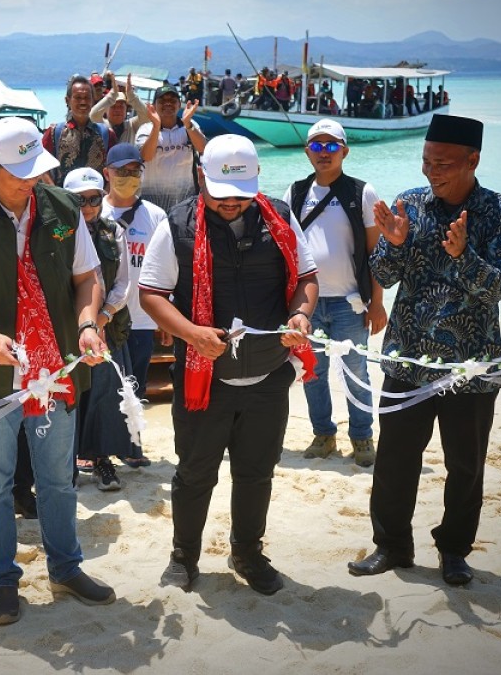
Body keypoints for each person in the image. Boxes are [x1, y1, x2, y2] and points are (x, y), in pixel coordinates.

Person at [0, 116, 116, 625]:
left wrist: (85, 324)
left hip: (56, 369)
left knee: (58, 479)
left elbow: (87, 278)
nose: (32, 181)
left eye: (38, 169)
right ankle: (3, 581)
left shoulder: (61, 206)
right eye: (20, 173)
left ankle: (66, 567)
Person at [347, 114, 501, 587]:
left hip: (473, 362)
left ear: (473, 160)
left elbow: (498, 288)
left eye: (443, 163)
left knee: (465, 465)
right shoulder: (409, 204)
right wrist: (396, 243)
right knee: (395, 459)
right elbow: (382, 276)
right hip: (408, 357)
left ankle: (454, 552)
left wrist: (462, 255)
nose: (432, 172)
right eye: (426, 161)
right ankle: (391, 545)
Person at [139, 135, 318, 595]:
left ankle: (248, 552)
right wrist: (191, 333)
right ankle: (184, 556)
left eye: (241, 194)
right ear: (202, 178)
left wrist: (300, 314)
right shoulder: (176, 225)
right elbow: (152, 293)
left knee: (256, 472)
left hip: (267, 377)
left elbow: (306, 278)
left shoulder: (278, 217)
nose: (232, 203)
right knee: (195, 472)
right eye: (221, 195)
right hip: (205, 379)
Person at [284, 119, 386, 467]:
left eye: (331, 146)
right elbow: (286, 252)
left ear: (345, 151)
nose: (324, 153)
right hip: (306, 306)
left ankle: (362, 438)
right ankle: (324, 435)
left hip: (350, 302)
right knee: (312, 374)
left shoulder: (361, 192)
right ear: (307, 151)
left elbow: (376, 254)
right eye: (317, 145)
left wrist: (378, 303)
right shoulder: (295, 193)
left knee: (357, 373)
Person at [63, 167, 136, 491]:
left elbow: (123, 283)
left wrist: (101, 319)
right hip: (67, 330)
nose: (89, 206)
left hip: (107, 326)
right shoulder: (55, 234)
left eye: (94, 198)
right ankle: (68, 464)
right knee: (68, 395)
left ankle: (103, 460)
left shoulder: (113, 231)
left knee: (106, 395)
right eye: (80, 200)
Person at [101, 144, 168, 412]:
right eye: (121, 171)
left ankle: (133, 444)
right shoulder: (93, 211)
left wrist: (165, 317)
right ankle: (100, 448)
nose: (128, 177)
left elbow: (164, 270)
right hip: (102, 317)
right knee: (102, 386)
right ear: (107, 173)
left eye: (134, 170)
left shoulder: (155, 216)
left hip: (141, 318)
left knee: (136, 383)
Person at [135, 84, 207, 211]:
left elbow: (203, 149)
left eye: (172, 101)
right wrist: (156, 126)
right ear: (154, 106)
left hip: (187, 202)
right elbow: (145, 156)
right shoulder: (145, 129)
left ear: (179, 105)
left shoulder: (190, 125)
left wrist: (188, 123)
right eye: (162, 101)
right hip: (151, 203)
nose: (168, 104)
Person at [42, 74, 117, 185]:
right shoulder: (54, 133)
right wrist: (56, 195)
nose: (83, 102)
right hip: (62, 199)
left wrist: (104, 197)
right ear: (67, 100)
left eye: (87, 98)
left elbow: (115, 169)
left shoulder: (106, 134)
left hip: (96, 200)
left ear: (92, 101)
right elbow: (42, 168)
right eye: (78, 98)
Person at [90, 71, 153, 146]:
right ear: (106, 110)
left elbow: (146, 115)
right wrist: (112, 95)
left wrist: (131, 96)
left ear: (126, 109)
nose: (117, 110)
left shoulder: (132, 125)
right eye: (113, 106)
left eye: (121, 106)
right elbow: (93, 115)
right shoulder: (102, 124)